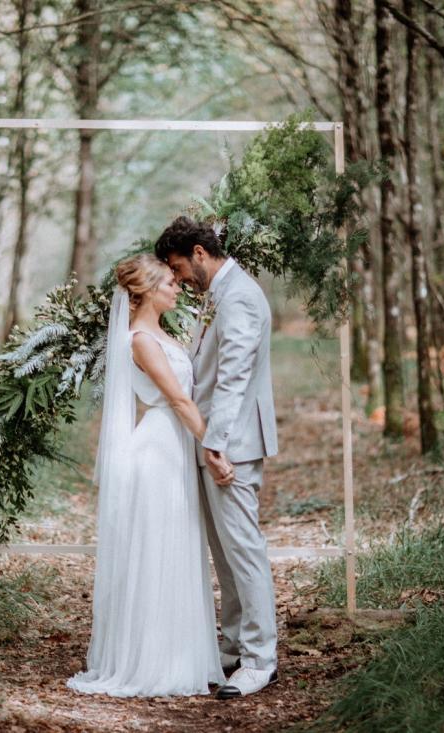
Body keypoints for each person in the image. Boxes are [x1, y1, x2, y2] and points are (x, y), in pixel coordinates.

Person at [68, 253, 225, 697]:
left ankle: (180, 654)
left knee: (175, 549)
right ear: (147, 291)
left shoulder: (162, 333)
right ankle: (153, 661)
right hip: (158, 451)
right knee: (158, 552)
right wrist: (213, 448)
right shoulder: (139, 339)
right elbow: (177, 400)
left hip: (173, 447)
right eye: (169, 284)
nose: (177, 288)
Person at [155, 216, 280, 699]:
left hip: (233, 445)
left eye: (178, 267)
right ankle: (231, 647)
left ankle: (260, 660)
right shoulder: (220, 294)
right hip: (216, 440)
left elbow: (235, 376)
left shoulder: (242, 296)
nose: (179, 278)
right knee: (225, 553)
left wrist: (216, 445)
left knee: (244, 551)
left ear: (200, 253)